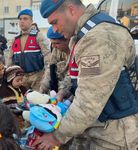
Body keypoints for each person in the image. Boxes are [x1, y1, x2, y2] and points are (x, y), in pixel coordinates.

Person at [34, 0, 138, 149]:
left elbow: (89, 102)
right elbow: (80, 76)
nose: (55, 30)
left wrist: (56, 136)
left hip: (114, 137)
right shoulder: (84, 34)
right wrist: (65, 92)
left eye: (55, 22)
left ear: (71, 10)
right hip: (98, 129)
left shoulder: (98, 38)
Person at [7, 9, 50, 91]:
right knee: (22, 101)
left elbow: (47, 56)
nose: (22, 21)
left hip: (38, 77)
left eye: (25, 19)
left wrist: (47, 75)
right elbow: (10, 59)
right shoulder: (14, 39)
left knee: (37, 100)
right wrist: (9, 76)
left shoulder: (38, 36)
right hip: (21, 78)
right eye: (20, 19)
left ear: (31, 21)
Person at [40, 27, 70, 93]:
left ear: (68, 40)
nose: (53, 46)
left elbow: (70, 76)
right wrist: (42, 89)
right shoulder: (56, 50)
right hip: (60, 89)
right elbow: (50, 69)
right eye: (52, 43)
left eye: (57, 43)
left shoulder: (75, 52)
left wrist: (61, 92)